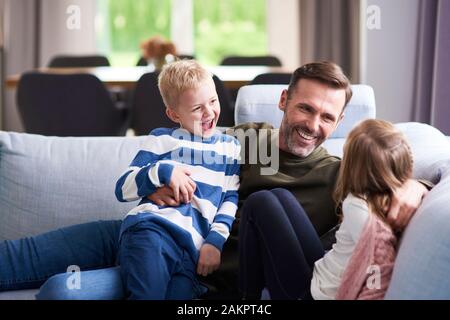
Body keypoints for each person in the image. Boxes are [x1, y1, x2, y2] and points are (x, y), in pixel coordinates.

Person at [0, 61, 428, 299]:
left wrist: (412, 187)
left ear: (337, 123)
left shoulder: (337, 175)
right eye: (305, 109)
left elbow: (406, 172)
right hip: (144, 226)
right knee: (24, 255)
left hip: (190, 271)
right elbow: (184, 124)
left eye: (327, 117)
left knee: (62, 291)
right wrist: (158, 178)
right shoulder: (246, 138)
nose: (312, 125)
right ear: (284, 101)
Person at [239, 118, 416, 300]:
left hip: (310, 295)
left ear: (352, 165)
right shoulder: (383, 198)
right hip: (321, 272)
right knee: (279, 195)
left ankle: (246, 300)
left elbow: (379, 267)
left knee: (258, 203)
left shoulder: (358, 209)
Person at [116, 60, 240, 299]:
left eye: (213, 101)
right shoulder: (162, 140)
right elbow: (123, 187)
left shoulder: (231, 147)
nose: (209, 113)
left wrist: (215, 241)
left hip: (193, 250)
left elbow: (230, 197)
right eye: (197, 109)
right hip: (153, 232)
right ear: (174, 114)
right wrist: (163, 171)